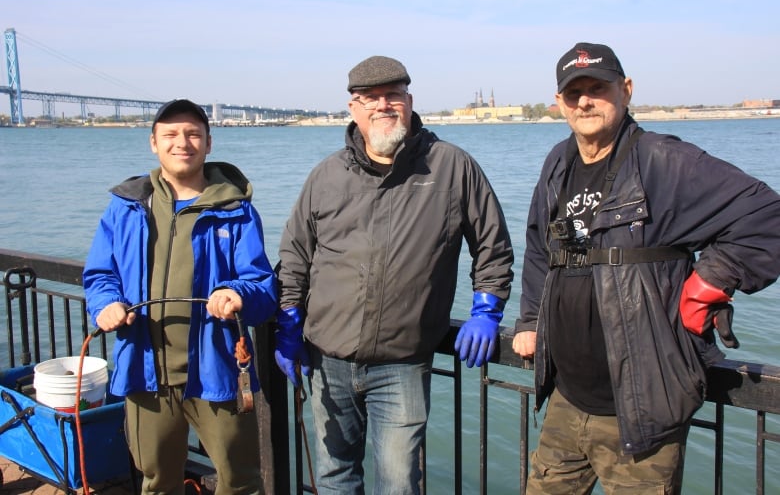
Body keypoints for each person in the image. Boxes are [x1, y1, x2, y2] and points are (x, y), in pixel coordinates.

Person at [513, 42, 780, 494]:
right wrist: (530, 320)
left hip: (641, 408)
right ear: (559, 103)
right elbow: (543, 249)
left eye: (598, 87)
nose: (585, 101)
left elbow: (767, 218)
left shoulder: (663, 161)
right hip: (566, 398)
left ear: (627, 90)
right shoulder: (558, 162)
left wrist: (710, 281)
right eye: (573, 92)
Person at [274, 55, 514, 494]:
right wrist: (288, 319)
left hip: (403, 363)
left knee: (400, 483)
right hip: (328, 358)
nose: (383, 106)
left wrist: (487, 309)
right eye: (370, 98)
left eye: (393, 96)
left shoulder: (451, 167)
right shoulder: (327, 175)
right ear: (354, 109)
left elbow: (493, 247)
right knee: (333, 477)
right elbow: (294, 255)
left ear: (409, 101)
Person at [83, 99, 277, 495]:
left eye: (192, 134)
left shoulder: (236, 210)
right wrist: (106, 305)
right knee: (156, 481)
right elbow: (101, 274)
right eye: (170, 134)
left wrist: (235, 293)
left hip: (218, 372)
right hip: (143, 370)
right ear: (153, 143)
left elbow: (262, 286)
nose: (181, 143)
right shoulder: (125, 206)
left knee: (240, 480)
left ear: (208, 142)